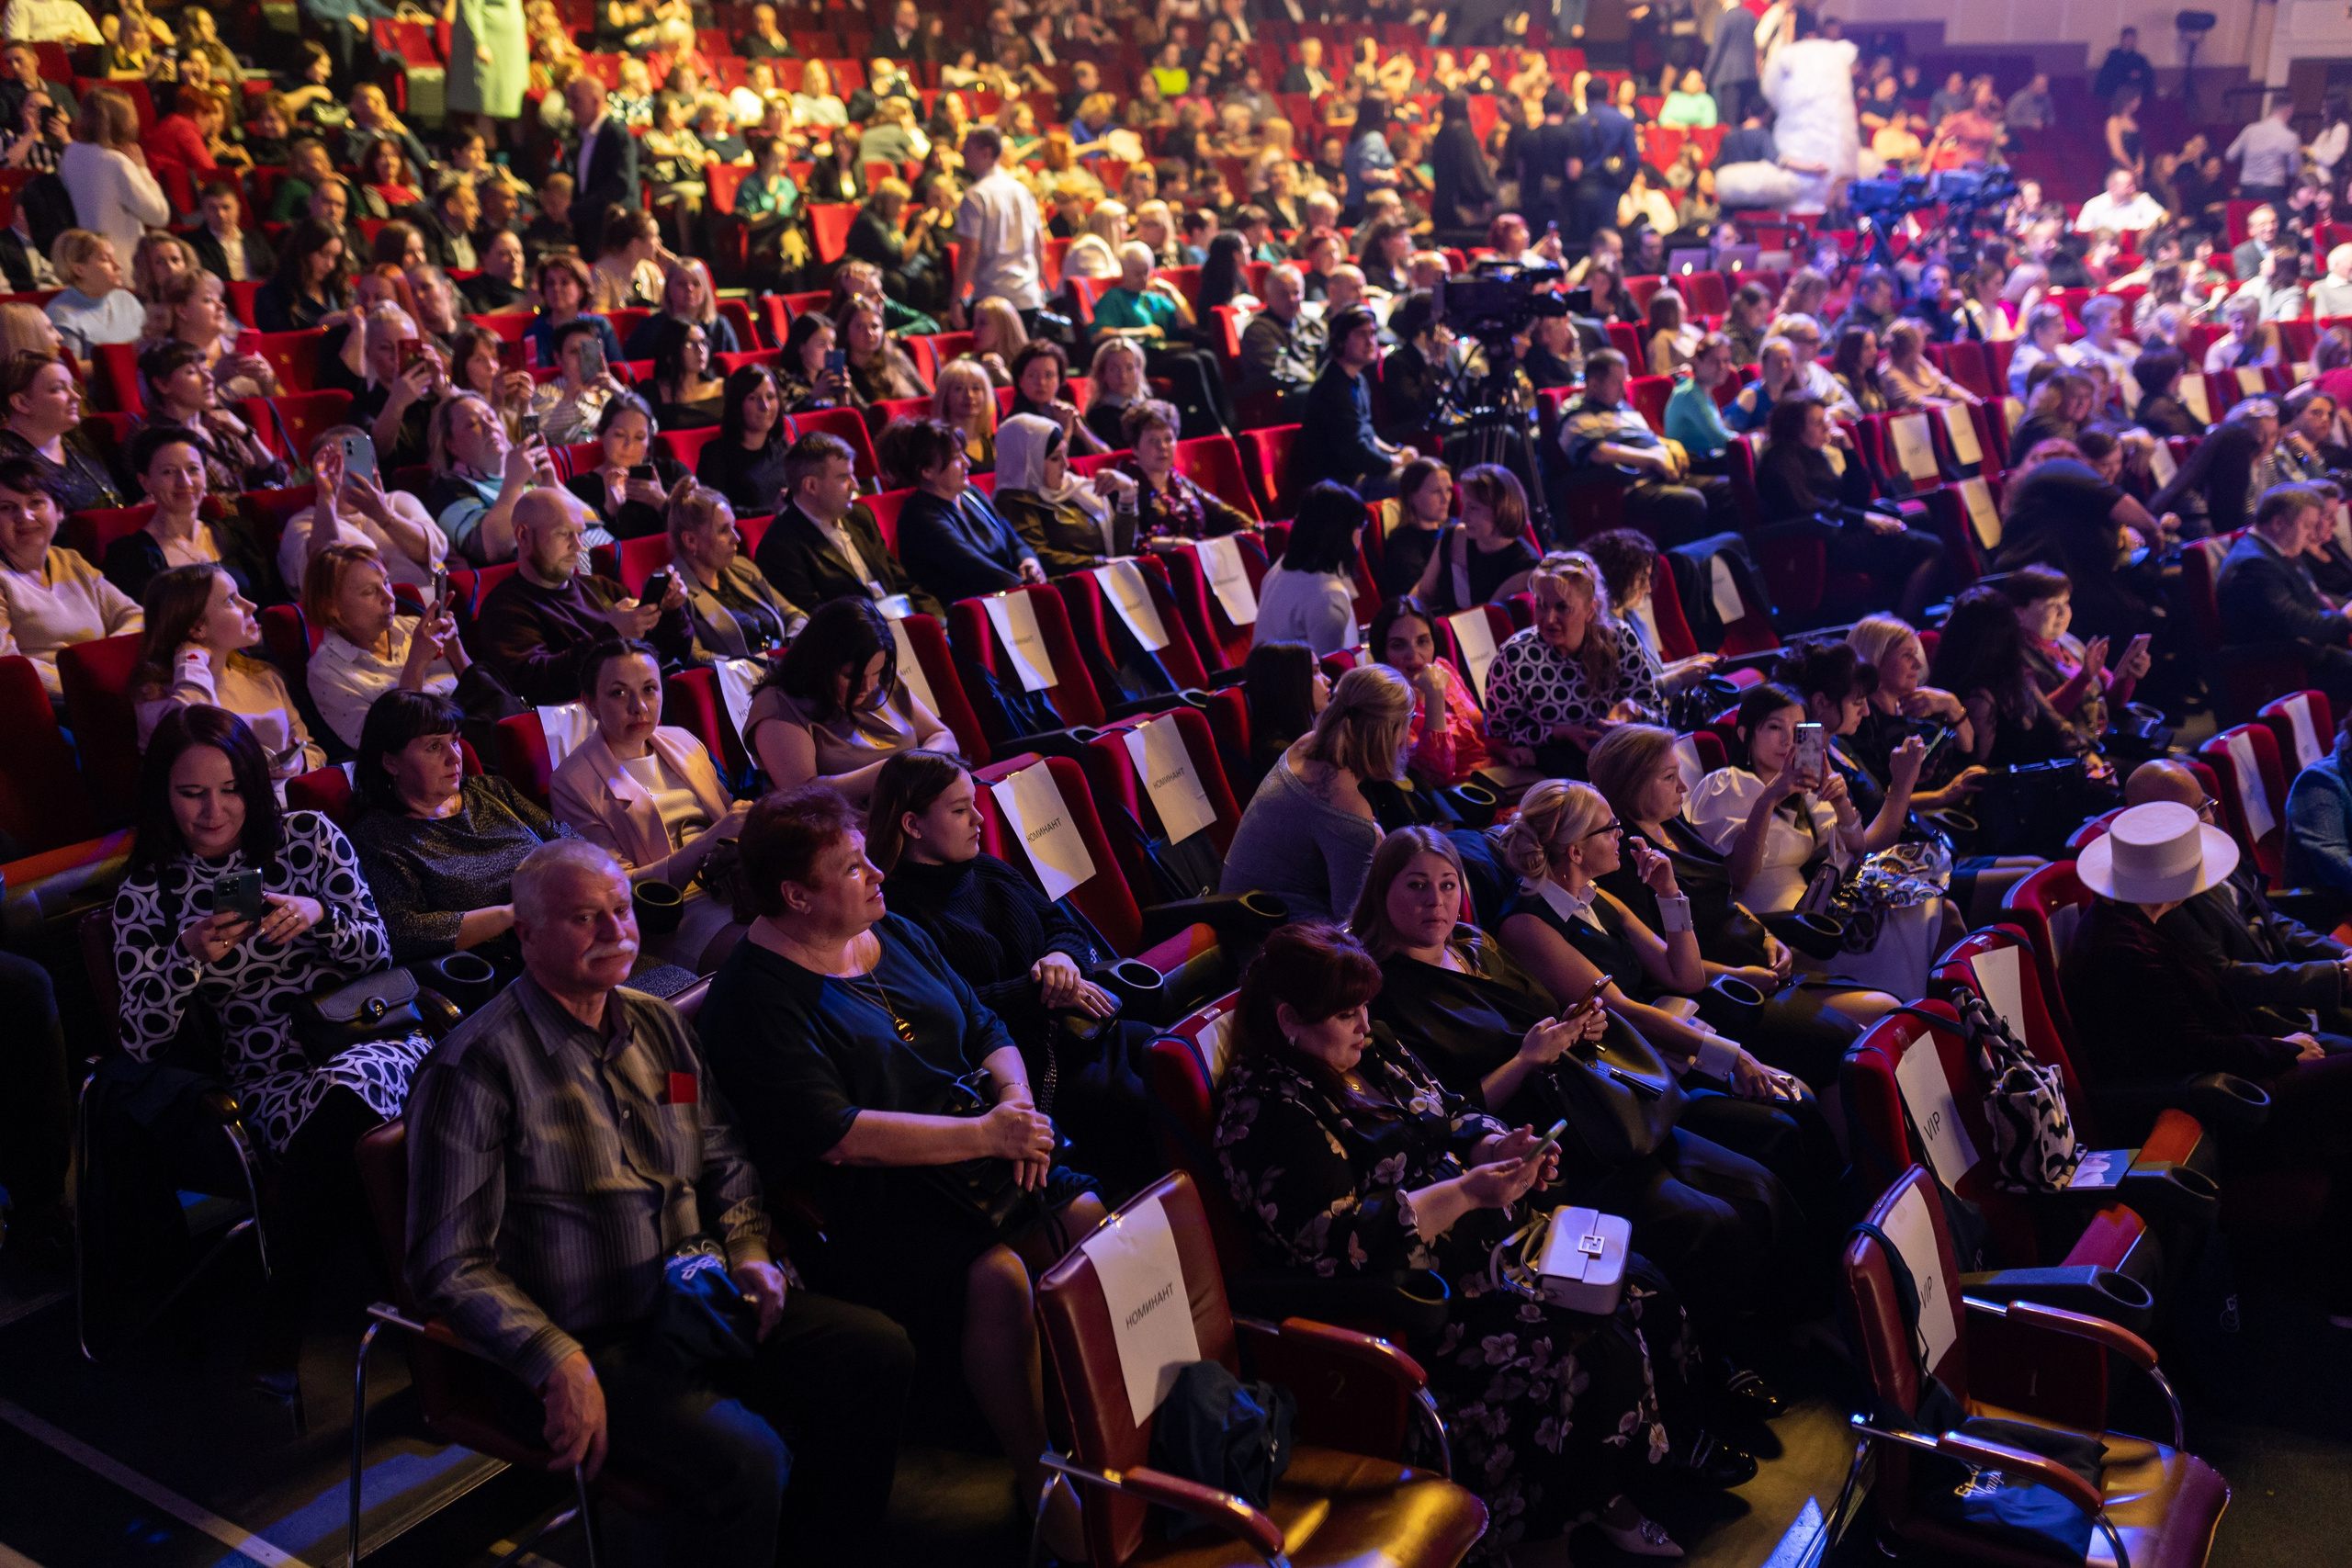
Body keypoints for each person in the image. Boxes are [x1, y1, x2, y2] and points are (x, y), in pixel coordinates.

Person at [405, 834, 914, 1566]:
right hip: (582, 1340)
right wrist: (557, 1361)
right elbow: (446, 1263)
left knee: (877, 1353)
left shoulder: (656, 1023)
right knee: (750, 1459)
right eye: (585, 918)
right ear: (526, 935)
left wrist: (746, 1248)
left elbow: (720, 1148)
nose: (615, 932)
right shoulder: (476, 1068)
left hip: (694, 1300)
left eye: (620, 909)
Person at [1212, 921, 1710, 1562]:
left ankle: (1626, 1487)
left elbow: (1446, 1108)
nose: (1365, 1024)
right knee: (1586, 1339)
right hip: (1417, 1298)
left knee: (1641, 1285)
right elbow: (1337, 1243)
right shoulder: (1264, 1111)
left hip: (1490, 1245)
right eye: (1345, 1013)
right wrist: (1470, 1193)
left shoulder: (1370, 1047)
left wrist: (1497, 1145)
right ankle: (1557, 1529)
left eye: (1365, 1006)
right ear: (1288, 1019)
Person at [692, 784, 1102, 1557]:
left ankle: (1114, 1440)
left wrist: (1013, 1103)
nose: (880, 873)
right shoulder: (754, 997)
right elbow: (838, 1136)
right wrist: (988, 1133)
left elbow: (982, 1022)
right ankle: (1040, 1476)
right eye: (853, 867)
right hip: (873, 1196)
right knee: (1001, 1276)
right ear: (797, 896)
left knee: (1089, 1226)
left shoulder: (895, 930)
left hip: (982, 1145)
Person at [116, 703, 426, 1399]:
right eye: (191, 792)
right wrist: (186, 955)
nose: (212, 811)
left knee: (350, 1102)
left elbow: (378, 948)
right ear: (163, 793)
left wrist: (318, 917)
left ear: (253, 786)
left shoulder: (307, 838)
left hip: (366, 1034)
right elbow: (138, 1038)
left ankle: (286, 1316)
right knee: (343, 1135)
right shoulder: (152, 890)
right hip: (267, 1073)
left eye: (228, 789)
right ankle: (423, 1318)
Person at [1686, 680, 1944, 1002]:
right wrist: (1768, 799)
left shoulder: (1802, 791)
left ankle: (1936, 1012)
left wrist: (1840, 803)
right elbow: (1738, 878)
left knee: (1923, 907)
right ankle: (1913, 1013)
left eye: (1797, 730)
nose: (1786, 740)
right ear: (1744, 734)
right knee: (1905, 925)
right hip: (1778, 929)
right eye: (1774, 727)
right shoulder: (1727, 784)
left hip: (1817, 914)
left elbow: (1859, 848)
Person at [549, 638, 746, 971]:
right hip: (676, 914)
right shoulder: (573, 782)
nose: (639, 706)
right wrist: (710, 840)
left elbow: (730, 821)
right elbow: (620, 890)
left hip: (736, 885)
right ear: (591, 703)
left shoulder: (682, 740)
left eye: (650, 689)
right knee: (768, 950)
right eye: (619, 693)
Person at [1220, 663, 1408, 921]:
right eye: (1407, 722)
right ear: (1387, 733)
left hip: (1242, 918)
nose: (1407, 737)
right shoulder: (1350, 809)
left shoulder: (1305, 745)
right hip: (1280, 945)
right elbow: (1357, 922)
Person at [475, 490, 691, 705]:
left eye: (580, 533)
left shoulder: (601, 587)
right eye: (564, 533)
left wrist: (672, 611)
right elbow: (538, 683)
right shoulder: (504, 608)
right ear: (523, 536)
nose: (578, 546)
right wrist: (613, 634)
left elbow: (673, 653)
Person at [742, 596, 947, 807]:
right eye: (851, 676)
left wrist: (918, 765)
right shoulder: (779, 705)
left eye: (875, 672)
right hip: (846, 827)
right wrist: (893, 771)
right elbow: (802, 796)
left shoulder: (882, 681)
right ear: (819, 662)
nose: (867, 687)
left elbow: (943, 736)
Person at [1755, 395, 1946, 621]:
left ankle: (1908, 613)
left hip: (1842, 531)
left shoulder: (1812, 453)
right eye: (1817, 423)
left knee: (1924, 520)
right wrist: (1865, 519)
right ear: (1795, 428)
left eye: (1825, 420)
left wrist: (1849, 452)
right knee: (1934, 549)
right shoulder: (1782, 459)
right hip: (1822, 544)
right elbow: (1809, 508)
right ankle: (1905, 623)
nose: (1827, 426)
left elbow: (1854, 498)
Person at [1483, 547, 1665, 781]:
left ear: (1591, 610)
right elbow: (1499, 738)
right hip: (1556, 778)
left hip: (1624, 766)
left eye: (1562, 607)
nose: (1548, 619)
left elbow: (1660, 717)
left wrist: (1634, 713)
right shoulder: (1514, 659)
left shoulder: (1620, 639)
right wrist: (1558, 733)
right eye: (1540, 605)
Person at [755, 431, 940, 620]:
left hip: (904, 625)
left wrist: (939, 622)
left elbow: (900, 582)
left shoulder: (860, 517)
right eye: (844, 478)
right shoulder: (780, 547)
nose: (855, 486)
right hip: (862, 643)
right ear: (811, 486)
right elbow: (818, 621)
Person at [0, 454, 137, 704]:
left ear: (59, 510)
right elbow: (7, 665)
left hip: (107, 690)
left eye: (36, 502)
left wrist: (105, 665)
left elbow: (136, 617)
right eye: (6, 508)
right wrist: (87, 683)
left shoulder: (69, 560)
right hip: (50, 707)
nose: (25, 517)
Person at [1560, 348, 1730, 548]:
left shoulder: (1621, 407)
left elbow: (1646, 437)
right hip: (1632, 485)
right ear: (1594, 384)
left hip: (1661, 475)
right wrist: (1652, 458)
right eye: (1617, 382)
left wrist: (1669, 444)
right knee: (1690, 503)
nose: (1624, 390)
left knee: (1726, 489)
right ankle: (1679, 569)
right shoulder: (1577, 412)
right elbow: (1598, 451)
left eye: (1625, 380)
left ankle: (1717, 561)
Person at [883, 417, 1045, 607]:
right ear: (926, 471)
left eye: (963, 454)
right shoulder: (919, 517)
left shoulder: (971, 493)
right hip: (971, 612)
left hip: (1006, 596)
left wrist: (1029, 562)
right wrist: (1029, 590)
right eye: (955, 458)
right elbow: (974, 568)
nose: (967, 463)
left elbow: (1013, 538)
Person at [2219, 483, 2352, 708]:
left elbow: (2314, 599)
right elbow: (2295, 623)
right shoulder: (2255, 564)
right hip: (2288, 664)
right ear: (2279, 523)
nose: (2312, 533)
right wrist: (2345, 619)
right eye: (2307, 525)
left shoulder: (2277, 550)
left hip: (2311, 651)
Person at [665, 477, 804, 661]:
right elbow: (696, 657)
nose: (737, 538)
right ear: (691, 541)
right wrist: (756, 665)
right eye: (724, 530)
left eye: (734, 527)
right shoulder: (674, 592)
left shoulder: (742, 567)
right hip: (740, 684)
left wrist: (793, 646)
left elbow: (794, 614)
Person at [1290, 305, 1417, 500]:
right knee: (1417, 482)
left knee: (1423, 472)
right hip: (1340, 486)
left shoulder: (1358, 379)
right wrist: (1397, 461)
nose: (1370, 342)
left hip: (1358, 475)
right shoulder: (1334, 387)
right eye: (1361, 335)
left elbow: (1367, 433)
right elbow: (1355, 453)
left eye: (1373, 334)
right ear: (1340, 341)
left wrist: (1396, 451)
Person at [989, 412, 1137, 577]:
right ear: (1028, 462)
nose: (1066, 465)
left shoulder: (1073, 487)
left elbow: (1121, 550)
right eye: (1055, 458)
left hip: (1106, 576)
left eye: (1065, 454)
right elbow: (1040, 556)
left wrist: (1128, 493)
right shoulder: (1015, 501)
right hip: (1073, 587)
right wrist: (1100, 562)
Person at [1370, 596, 1491, 787]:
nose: (1413, 654)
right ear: (1383, 653)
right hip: (1461, 799)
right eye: (1398, 645)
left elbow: (1479, 731)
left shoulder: (1442, 667)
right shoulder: (1386, 704)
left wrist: (1504, 749)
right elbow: (1435, 775)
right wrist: (1435, 696)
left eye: (1423, 641)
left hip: (1494, 775)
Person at [1408, 462, 1539, 616]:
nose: (1463, 517)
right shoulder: (1454, 536)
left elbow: (1486, 622)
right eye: (1464, 506)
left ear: (1502, 509)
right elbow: (1424, 592)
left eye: (1473, 508)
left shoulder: (1525, 567)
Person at [1252, 480, 1365, 658]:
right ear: (1347, 533)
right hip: (1295, 683)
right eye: (1360, 526)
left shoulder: (1279, 570)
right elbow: (1331, 669)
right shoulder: (1329, 596)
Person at [59, 87, 166, 273]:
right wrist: (141, 169)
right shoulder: (117, 162)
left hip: (88, 258)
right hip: (122, 261)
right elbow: (159, 215)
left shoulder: (71, 153)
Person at [948, 126, 1043, 331]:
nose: (962, 152)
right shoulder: (1022, 190)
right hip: (1027, 296)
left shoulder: (976, 195)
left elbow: (969, 251)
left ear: (986, 152)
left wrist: (956, 299)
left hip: (993, 297)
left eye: (967, 147)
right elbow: (1039, 244)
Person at [560, 393, 686, 542]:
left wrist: (663, 504)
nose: (629, 445)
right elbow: (579, 548)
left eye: (639, 437)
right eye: (619, 435)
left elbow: (704, 527)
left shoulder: (671, 472)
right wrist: (608, 511)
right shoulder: (580, 487)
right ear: (601, 433)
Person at [691, 363, 793, 516]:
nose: (765, 406)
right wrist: (772, 513)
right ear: (737, 405)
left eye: (770, 397)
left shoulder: (783, 448)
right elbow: (714, 513)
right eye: (753, 398)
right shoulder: (715, 455)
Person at [2229, 97, 2301, 203]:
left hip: (2247, 188)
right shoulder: (2290, 136)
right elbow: (2294, 170)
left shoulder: (2250, 130)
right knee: (2270, 219)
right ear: (2289, 110)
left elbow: (2230, 155)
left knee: (2248, 219)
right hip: (2273, 189)